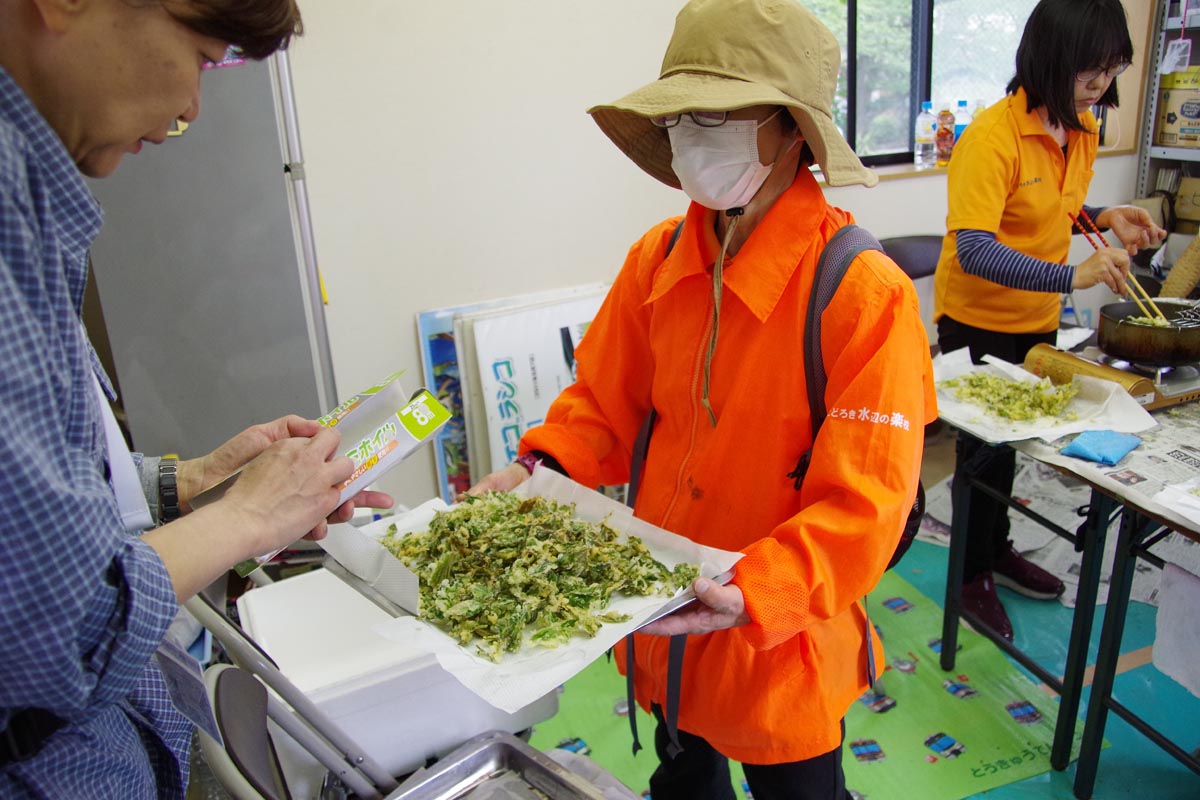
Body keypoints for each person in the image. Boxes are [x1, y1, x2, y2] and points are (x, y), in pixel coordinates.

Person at [470, 1, 935, 797]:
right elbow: (600, 403)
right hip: (663, 610)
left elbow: (866, 502)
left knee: (796, 783)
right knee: (683, 770)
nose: (693, 134)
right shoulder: (656, 261)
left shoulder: (862, 295)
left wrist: (758, 591)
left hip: (775, 630)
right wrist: (540, 468)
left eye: (720, 113)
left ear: (792, 128)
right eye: (682, 114)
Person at [0, 1, 391, 797]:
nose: (190, 109)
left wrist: (182, 487)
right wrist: (245, 518)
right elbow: (63, 628)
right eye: (203, 57)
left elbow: (37, 498)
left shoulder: (32, 196)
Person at [933, 0, 1166, 641]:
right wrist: (1073, 276)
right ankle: (968, 576)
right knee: (981, 453)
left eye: (1110, 72)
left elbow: (1048, 203)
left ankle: (995, 551)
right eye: (1090, 73)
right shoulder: (990, 139)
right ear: (1051, 60)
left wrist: (1106, 212)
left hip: (1034, 315)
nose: (1101, 87)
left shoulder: (1081, 127)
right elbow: (977, 249)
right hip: (976, 317)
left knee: (1015, 445)